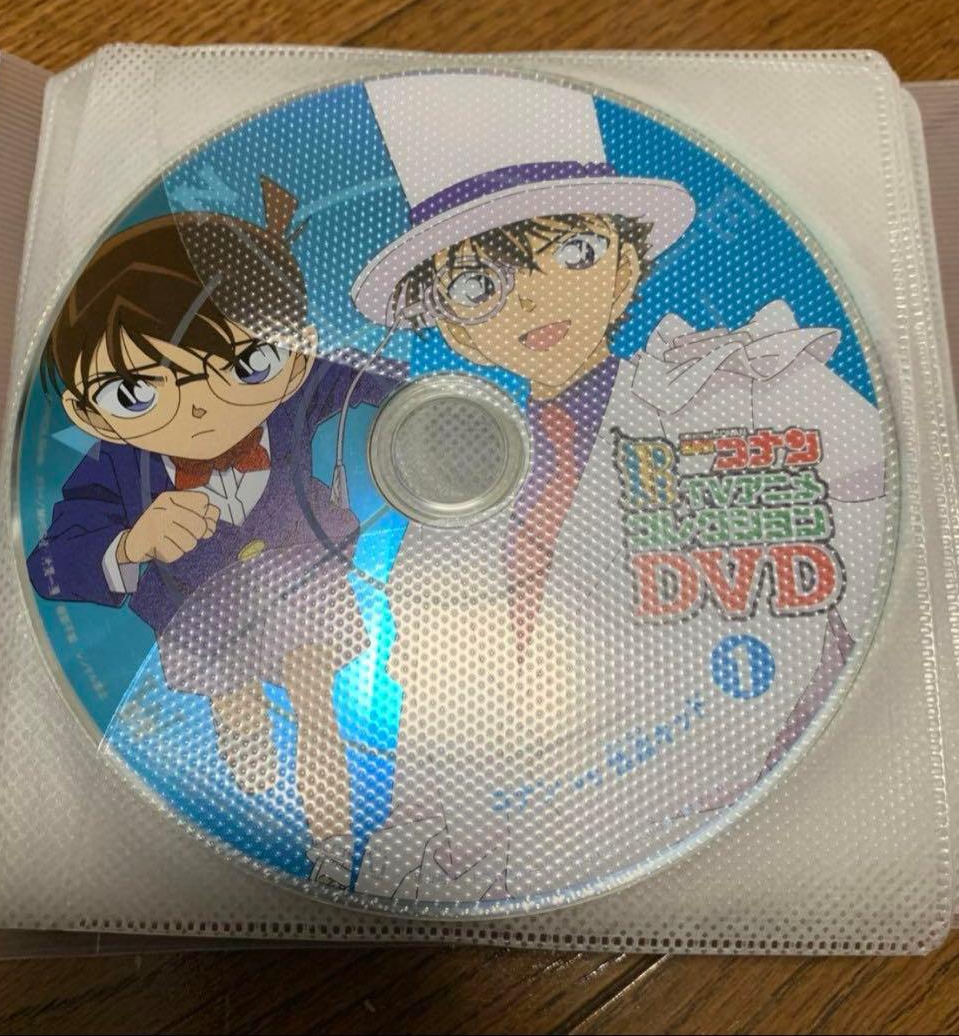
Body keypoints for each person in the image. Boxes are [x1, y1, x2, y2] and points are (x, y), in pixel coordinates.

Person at [347, 72, 888, 903]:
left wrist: (838, 774)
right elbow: (429, 732)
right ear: (450, 327)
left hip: (785, 819)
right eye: (477, 285)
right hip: (526, 859)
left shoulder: (750, 384)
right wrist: (409, 853)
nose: (532, 297)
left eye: (573, 252)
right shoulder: (442, 516)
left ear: (628, 266)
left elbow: (899, 551)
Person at [27, 179, 393, 887]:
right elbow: (50, 563)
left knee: (314, 702)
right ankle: (240, 729)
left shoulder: (301, 391)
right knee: (238, 713)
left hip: (299, 574)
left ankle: (331, 853)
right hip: (193, 605)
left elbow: (370, 379)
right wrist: (131, 543)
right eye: (137, 391)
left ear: (296, 352)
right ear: (89, 411)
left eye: (245, 363)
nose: (199, 407)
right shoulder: (114, 468)